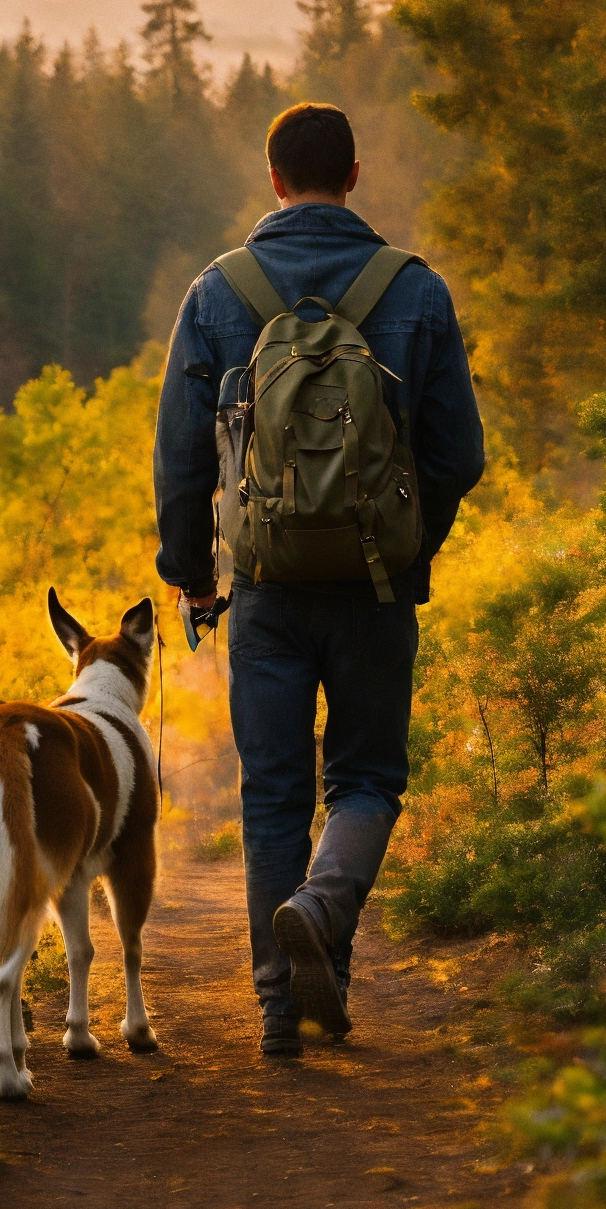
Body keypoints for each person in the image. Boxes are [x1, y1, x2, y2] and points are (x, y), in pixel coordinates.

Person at [153, 100, 484, 1056]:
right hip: (379, 589)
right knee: (369, 779)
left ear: (273, 179)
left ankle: (279, 1014)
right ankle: (325, 924)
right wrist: (410, 543)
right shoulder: (415, 292)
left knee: (272, 796)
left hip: (264, 588)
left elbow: (182, 460)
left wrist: (193, 576)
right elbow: (457, 453)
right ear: (353, 175)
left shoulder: (219, 294)